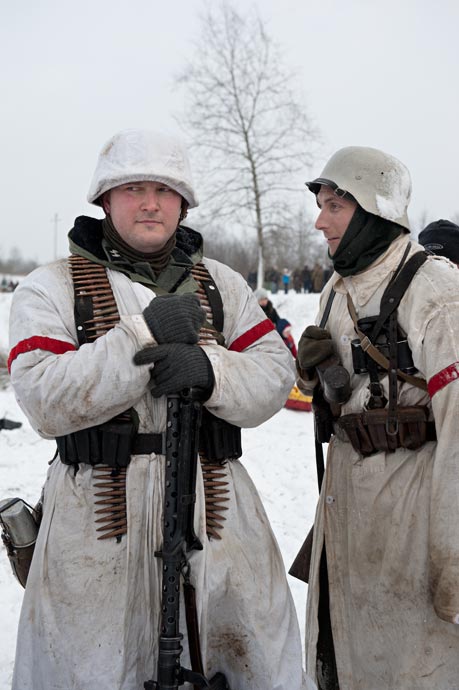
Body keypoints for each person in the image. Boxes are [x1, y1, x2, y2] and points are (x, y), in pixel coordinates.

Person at [8, 129, 304, 690]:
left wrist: (211, 370)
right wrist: (140, 338)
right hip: (97, 522)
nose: (150, 203)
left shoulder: (223, 285)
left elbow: (274, 374)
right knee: (92, 666)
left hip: (217, 515)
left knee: (243, 655)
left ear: (183, 202)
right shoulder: (51, 287)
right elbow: (44, 397)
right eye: (133, 188)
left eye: (165, 190)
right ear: (104, 200)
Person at [296, 145, 459, 689]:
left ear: (373, 209)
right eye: (320, 205)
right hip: (348, 515)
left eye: (334, 206)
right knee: (345, 660)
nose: (320, 221)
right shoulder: (335, 292)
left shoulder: (436, 289)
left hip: (415, 520)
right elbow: (340, 402)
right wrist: (318, 379)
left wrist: (454, 571)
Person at [254, 287, 297, 357]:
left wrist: (281, 328)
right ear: (257, 300)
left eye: (265, 299)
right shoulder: (256, 311)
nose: (264, 301)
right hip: (261, 337)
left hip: (273, 333)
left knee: (288, 338)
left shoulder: (271, 310)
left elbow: (278, 321)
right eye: (261, 299)